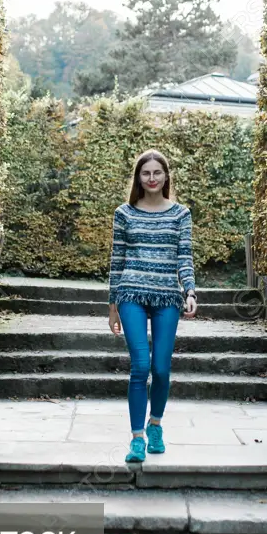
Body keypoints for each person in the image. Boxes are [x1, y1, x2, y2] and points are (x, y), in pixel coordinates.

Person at [107, 149, 198, 463]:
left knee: (161, 368)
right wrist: (112, 306)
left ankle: (155, 424)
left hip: (167, 298)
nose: (151, 178)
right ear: (138, 178)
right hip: (130, 294)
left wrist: (190, 292)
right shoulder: (124, 213)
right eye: (145, 173)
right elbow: (116, 261)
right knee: (140, 367)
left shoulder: (180, 214)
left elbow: (184, 258)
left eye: (157, 172)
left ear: (166, 175)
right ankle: (137, 439)